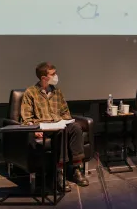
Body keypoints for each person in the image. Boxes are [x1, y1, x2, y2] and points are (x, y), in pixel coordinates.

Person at [21, 62, 89, 192]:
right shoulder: (31, 93)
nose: (56, 76)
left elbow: (65, 112)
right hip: (44, 126)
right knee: (61, 132)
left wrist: (66, 121)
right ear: (43, 78)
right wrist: (35, 131)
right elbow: (26, 118)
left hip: (59, 123)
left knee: (75, 128)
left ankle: (76, 169)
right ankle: (58, 173)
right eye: (53, 74)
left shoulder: (57, 92)